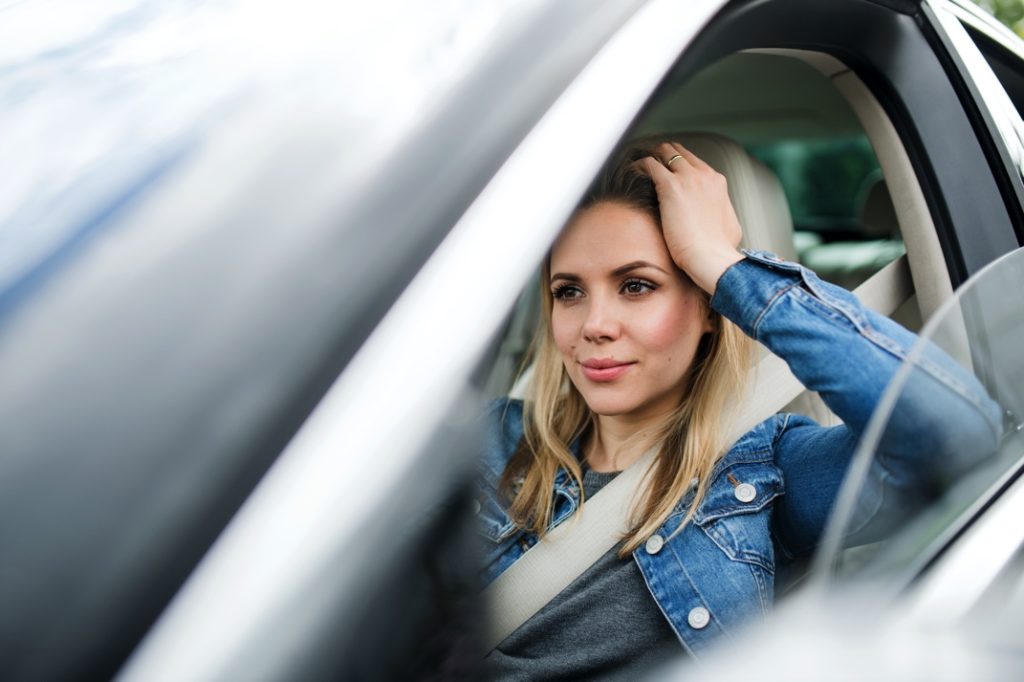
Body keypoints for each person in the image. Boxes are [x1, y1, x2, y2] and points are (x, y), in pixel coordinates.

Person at [477, 141, 1002, 679]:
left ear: (708, 306)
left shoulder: (760, 472)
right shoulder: (490, 440)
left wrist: (724, 266)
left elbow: (956, 439)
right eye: (569, 292)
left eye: (636, 286)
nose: (594, 324)